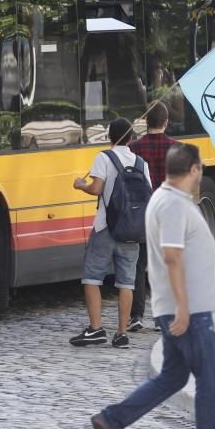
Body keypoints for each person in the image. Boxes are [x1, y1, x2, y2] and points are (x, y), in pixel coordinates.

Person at [90, 143, 215, 429]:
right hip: (189, 310)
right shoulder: (173, 204)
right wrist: (184, 309)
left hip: (174, 306)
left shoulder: (169, 198)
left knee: (173, 377)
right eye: (200, 170)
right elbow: (173, 257)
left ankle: (111, 420)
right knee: (210, 380)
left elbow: (192, 246)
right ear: (194, 170)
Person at [71, 117, 149, 349]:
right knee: (126, 282)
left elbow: (96, 189)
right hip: (132, 230)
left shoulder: (103, 157)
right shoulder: (140, 163)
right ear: (131, 138)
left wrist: (79, 185)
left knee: (92, 277)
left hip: (106, 227)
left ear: (109, 137)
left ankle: (95, 329)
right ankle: (122, 333)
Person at [127, 100, 180, 332]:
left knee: (138, 265)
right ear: (166, 122)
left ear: (145, 121)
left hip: (141, 213)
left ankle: (136, 316)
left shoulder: (133, 148)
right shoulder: (176, 148)